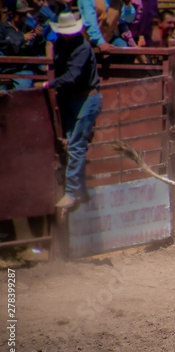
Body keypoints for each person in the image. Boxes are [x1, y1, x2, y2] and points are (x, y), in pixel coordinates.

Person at [42, 11, 102, 209]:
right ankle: (81, 191)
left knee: (75, 146)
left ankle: (71, 193)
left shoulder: (81, 48)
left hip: (86, 98)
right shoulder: (62, 44)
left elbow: (72, 76)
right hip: (76, 99)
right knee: (73, 145)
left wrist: (49, 85)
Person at [0, 0, 46, 89]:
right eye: (21, 15)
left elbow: (38, 49)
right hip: (5, 69)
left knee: (23, 88)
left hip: (24, 68)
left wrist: (39, 38)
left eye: (25, 14)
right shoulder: (2, 30)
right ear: (11, 14)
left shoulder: (28, 28)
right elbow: (3, 45)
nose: (24, 17)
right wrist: (22, 39)